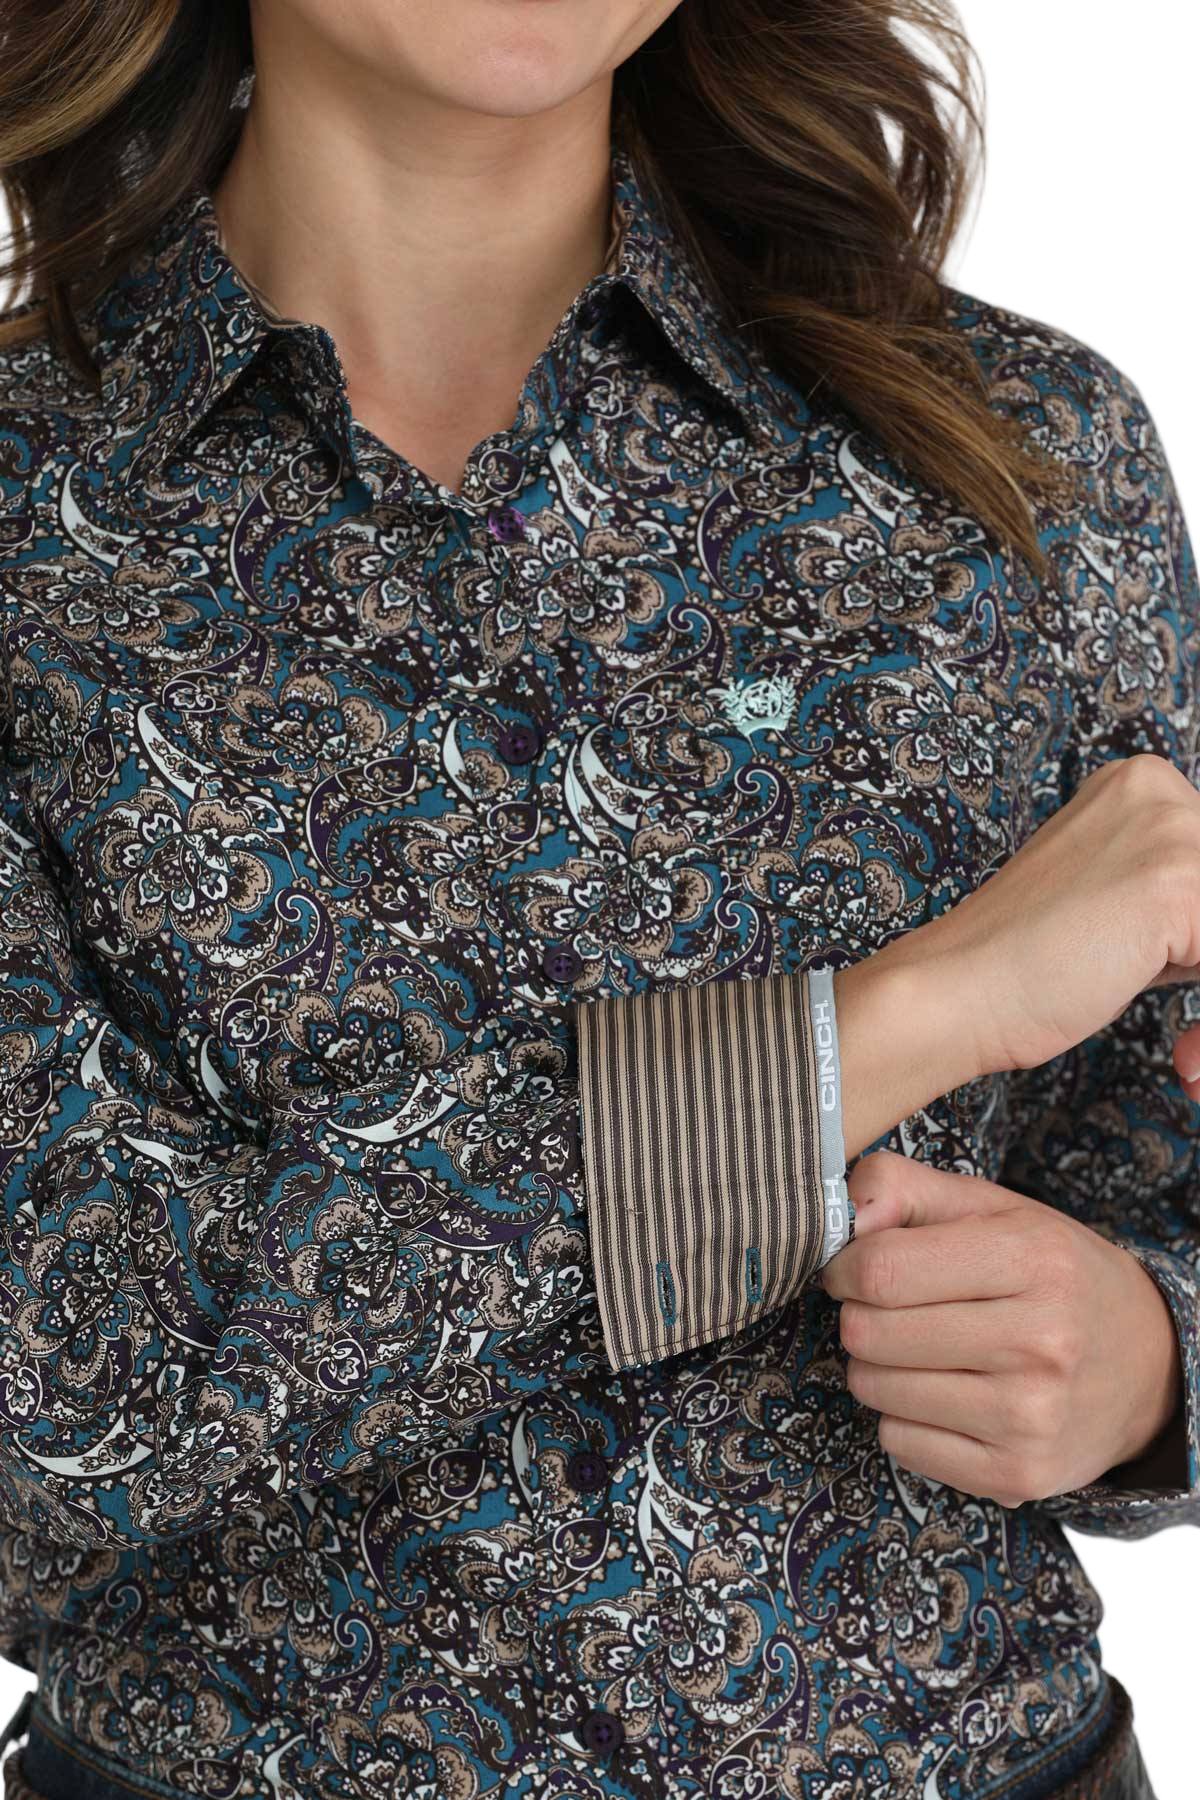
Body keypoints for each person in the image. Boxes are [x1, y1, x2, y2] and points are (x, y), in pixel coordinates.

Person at [0, 3, 1185, 1797]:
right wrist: (889, 1030)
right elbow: (68, 1392)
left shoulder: (1028, 454)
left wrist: (1149, 1369)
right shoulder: (32, 513)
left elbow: (1160, 1179)